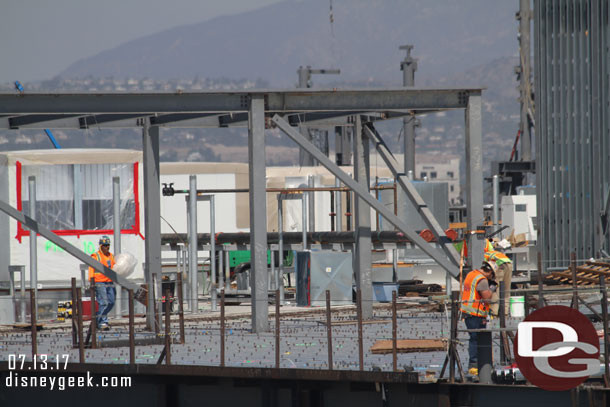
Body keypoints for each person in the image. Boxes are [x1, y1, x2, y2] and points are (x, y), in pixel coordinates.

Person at [460, 260, 497, 375]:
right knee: (476, 339)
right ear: (489, 271)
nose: (492, 277)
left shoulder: (472, 274)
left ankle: (475, 364)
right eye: (492, 275)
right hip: (476, 314)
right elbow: (487, 298)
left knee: (474, 338)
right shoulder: (482, 280)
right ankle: (475, 364)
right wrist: (492, 288)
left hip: (467, 312)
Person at [88, 236, 116, 331]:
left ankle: (98, 317)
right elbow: (91, 268)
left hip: (109, 282)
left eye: (108, 245)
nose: (107, 247)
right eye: (104, 245)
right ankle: (103, 322)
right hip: (99, 282)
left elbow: (115, 268)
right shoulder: (96, 256)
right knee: (104, 302)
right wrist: (91, 280)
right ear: (100, 246)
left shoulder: (111, 256)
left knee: (111, 302)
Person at [484, 239, 513, 315]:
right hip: (508, 263)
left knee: (495, 288)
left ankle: (494, 312)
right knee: (506, 289)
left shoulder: (484, 257)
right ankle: (505, 312)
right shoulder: (491, 252)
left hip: (499, 265)